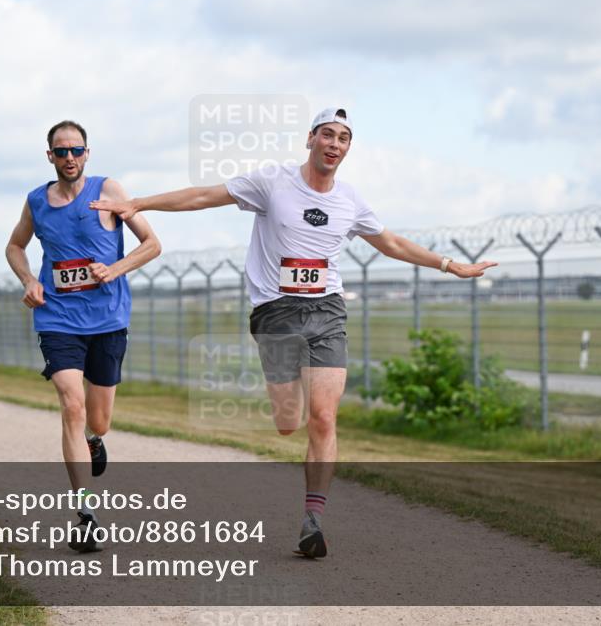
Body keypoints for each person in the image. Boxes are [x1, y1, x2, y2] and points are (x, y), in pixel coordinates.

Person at [90, 107, 496, 558]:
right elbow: (204, 196)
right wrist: (139, 204)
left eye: (343, 138)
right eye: (327, 134)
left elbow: (392, 243)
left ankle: (312, 521)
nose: (334, 143)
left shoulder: (350, 200)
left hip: (327, 310)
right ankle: (295, 428)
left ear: (347, 149)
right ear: (310, 139)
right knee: (289, 423)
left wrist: (448, 264)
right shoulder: (272, 181)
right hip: (276, 313)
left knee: (324, 417)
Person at [6, 119, 161, 552]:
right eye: (61, 151)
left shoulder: (109, 192)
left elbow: (151, 243)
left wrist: (114, 269)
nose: (69, 158)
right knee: (71, 404)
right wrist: (28, 281)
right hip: (57, 318)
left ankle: (95, 441)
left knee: (97, 420)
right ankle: (86, 514)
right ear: (49, 156)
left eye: (76, 150)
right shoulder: (37, 201)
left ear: (87, 154)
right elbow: (15, 246)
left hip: (108, 319)